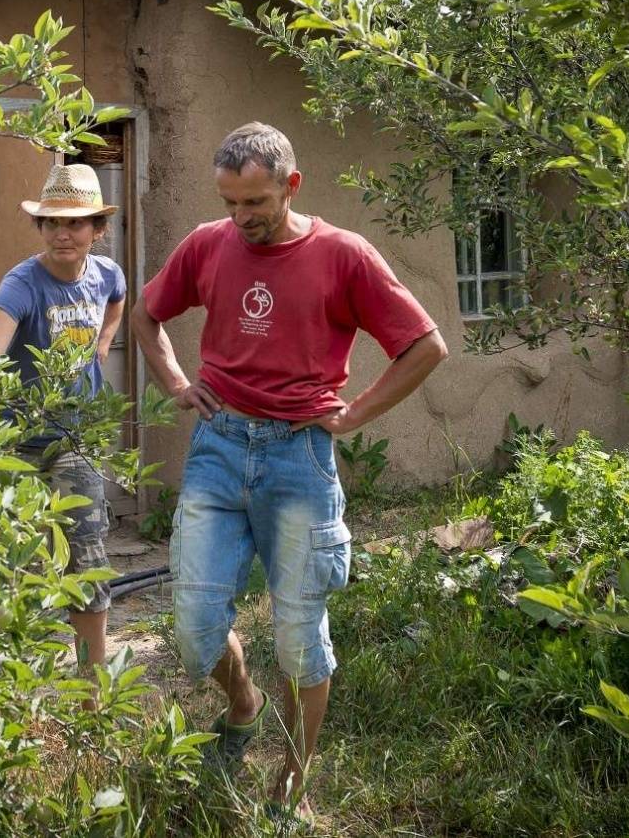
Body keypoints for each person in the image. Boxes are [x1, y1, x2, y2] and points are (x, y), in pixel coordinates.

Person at [131, 123, 448, 815]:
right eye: (230, 203)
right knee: (192, 624)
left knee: (301, 637)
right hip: (218, 448)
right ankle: (242, 703)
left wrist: (354, 413)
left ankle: (291, 787)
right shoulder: (207, 244)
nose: (241, 219)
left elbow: (426, 345)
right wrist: (179, 385)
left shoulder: (343, 255)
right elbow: (146, 316)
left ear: (291, 185)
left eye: (256, 203)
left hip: (299, 457)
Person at [0, 163, 126, 682]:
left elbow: (118, 302)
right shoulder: (23, 283)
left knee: (87, 554)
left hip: (75, 438)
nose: (63, 232)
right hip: (15, 440)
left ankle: (91, 694)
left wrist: (102, 344)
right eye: (52, 222)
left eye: (76, 223)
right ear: (40, 228)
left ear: (96, 231)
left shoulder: (107, 274)